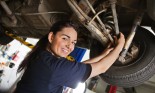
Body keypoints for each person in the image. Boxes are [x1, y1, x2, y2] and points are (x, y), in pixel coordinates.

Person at [14, 20, 125, 93]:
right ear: (51, 37)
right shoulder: (53, 66)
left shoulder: (42, 56)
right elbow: (102, 68)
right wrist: (120, 46)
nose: (69, 46)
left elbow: (77, 67)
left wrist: (103, 55)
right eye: (65, 38)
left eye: (73, 42)